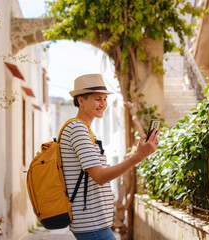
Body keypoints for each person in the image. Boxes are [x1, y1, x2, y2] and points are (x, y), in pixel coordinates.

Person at [60, 73, 159, 240]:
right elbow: (99, 176)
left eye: (105, 99)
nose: (103, 104)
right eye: (98, 99)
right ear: (80, 101)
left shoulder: (86, 131)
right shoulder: (78, 129)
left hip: (95, 222)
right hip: (91, 223)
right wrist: (138, 157)